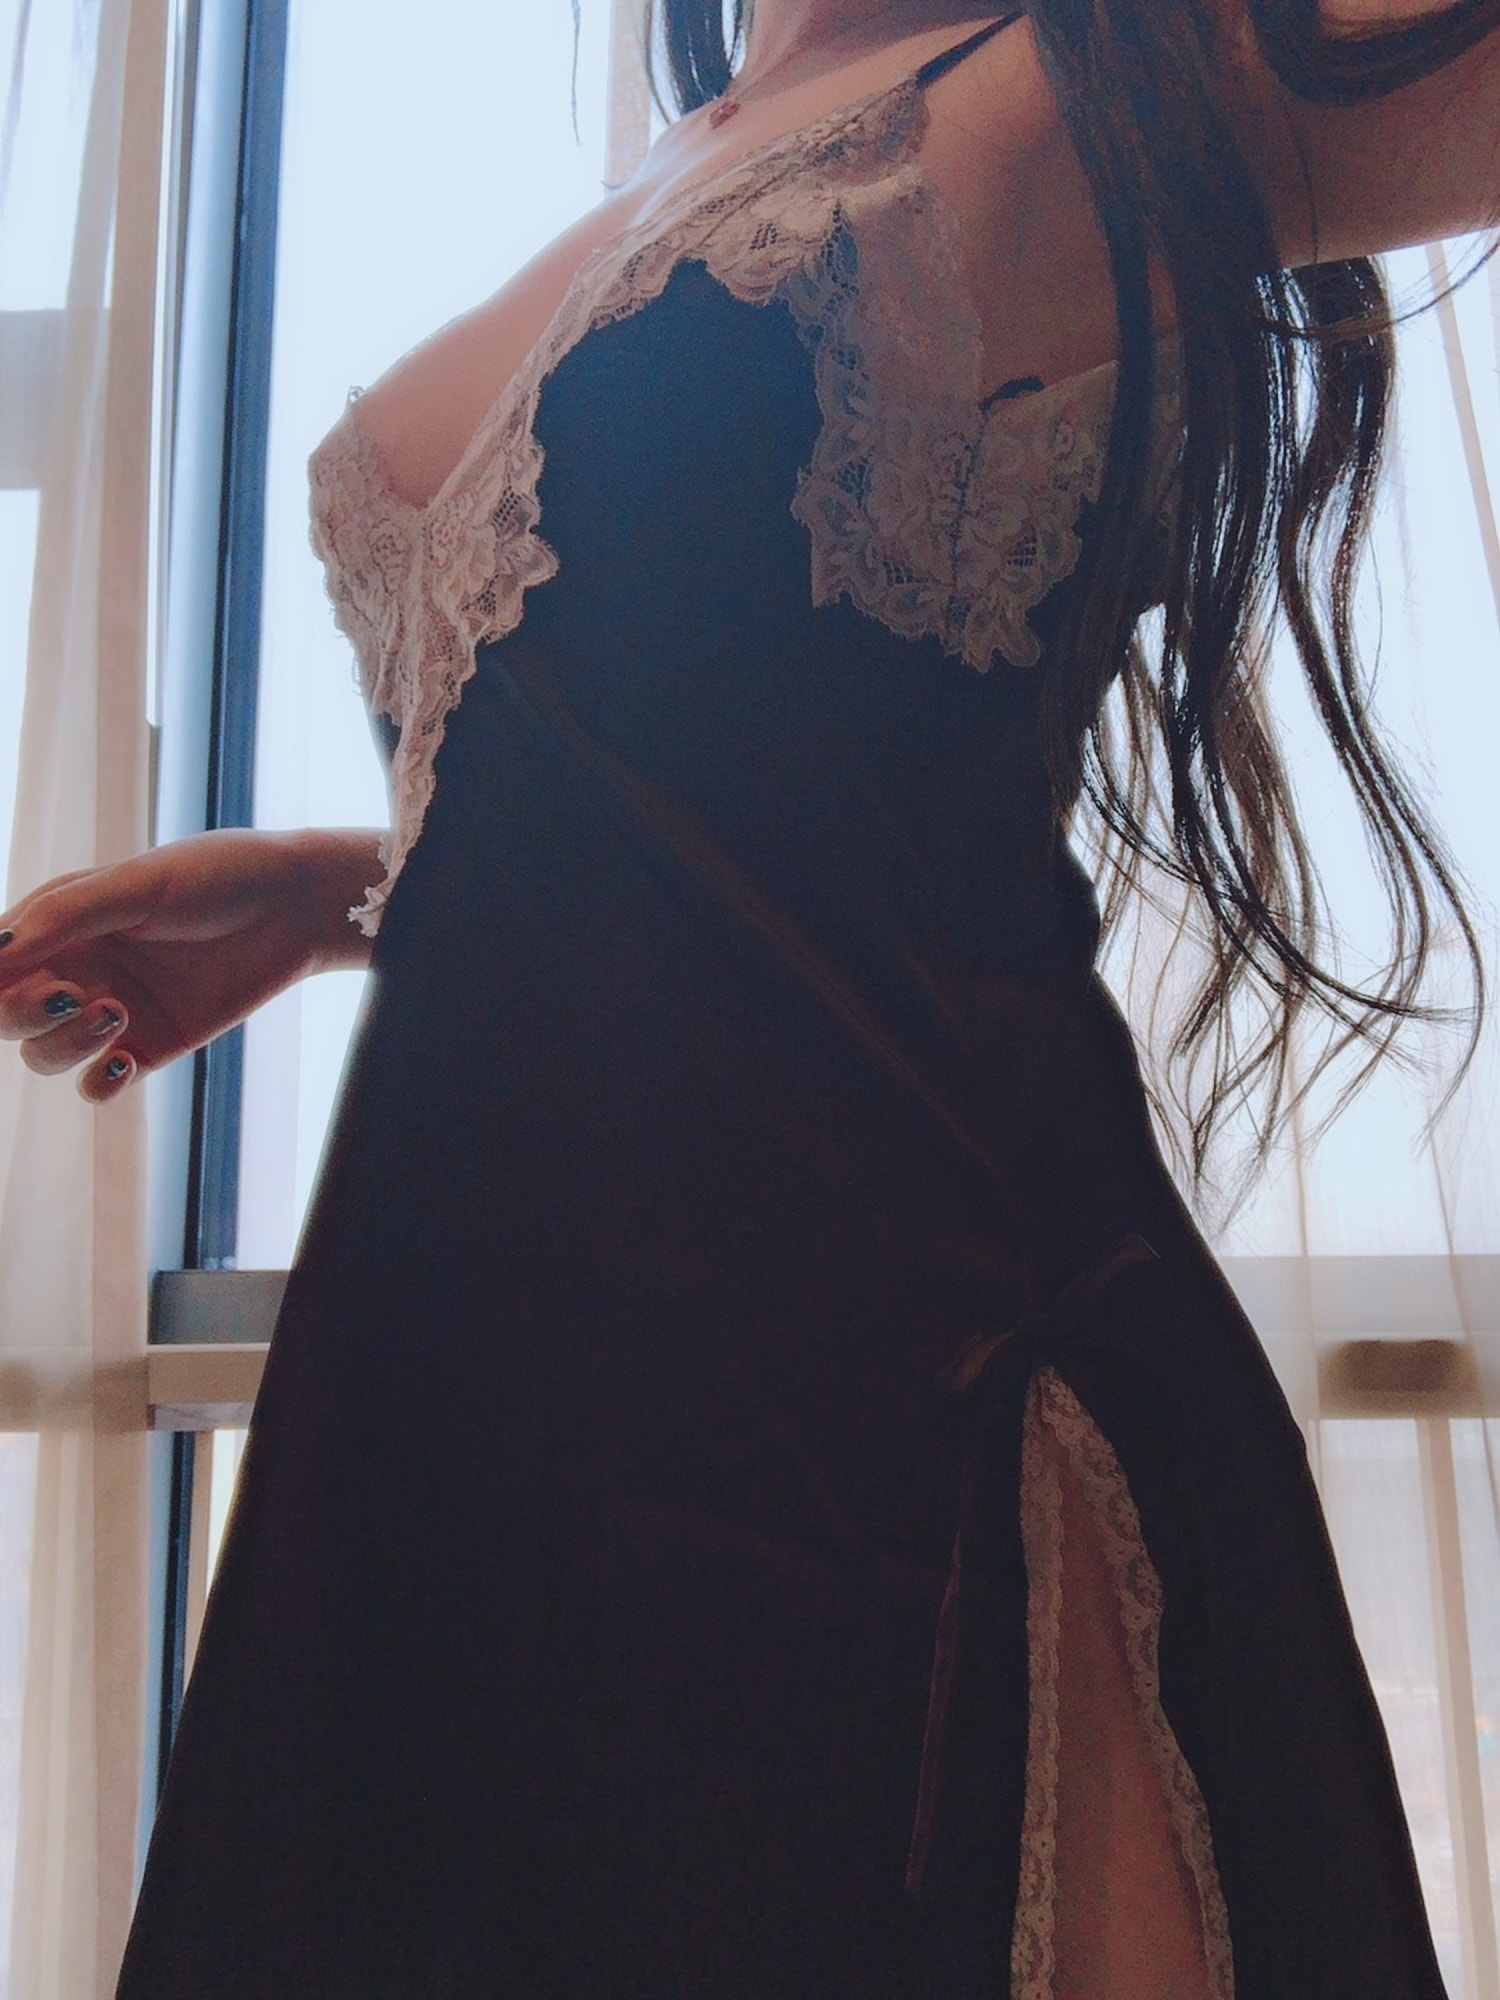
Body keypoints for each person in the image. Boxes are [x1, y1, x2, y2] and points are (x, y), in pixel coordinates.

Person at [1, 0, 1496, 1990]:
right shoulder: (689, 157)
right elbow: (735, 819)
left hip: (872, 1431)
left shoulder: (1067, 89)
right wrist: (341, 888)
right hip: (476, 1426)